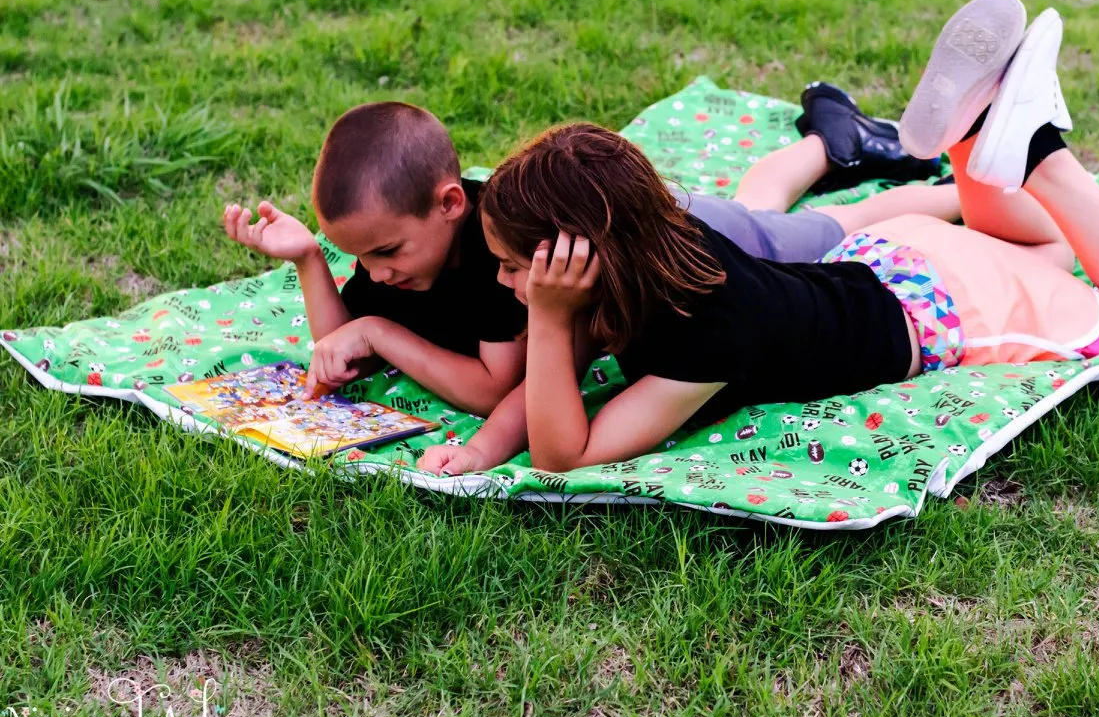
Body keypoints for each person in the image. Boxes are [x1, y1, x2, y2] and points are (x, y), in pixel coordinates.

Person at [478, 0, 1099, 473]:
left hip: (947, 306)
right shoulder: (660, 248)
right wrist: (486, 440)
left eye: (513, 266)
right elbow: (540, 390)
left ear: (583, 257)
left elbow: (562, 453)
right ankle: (970, 142)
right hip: (892, 257)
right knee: (1046, 249)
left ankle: (1040, 156)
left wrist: (546, 319)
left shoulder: (706, 333)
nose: (508, 284)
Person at [219, 96, 965, 475]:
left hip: (685, 234)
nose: (374, 276)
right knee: (765, 207)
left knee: (832, 231)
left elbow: (526, 414)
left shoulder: (513, 261)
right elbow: (342, 346)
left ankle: (956, 182)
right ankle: (829, 139)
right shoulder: (436, 248)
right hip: (644, 239)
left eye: (380, 254)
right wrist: (312, 265)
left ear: (451, 207)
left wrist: (531, 328)